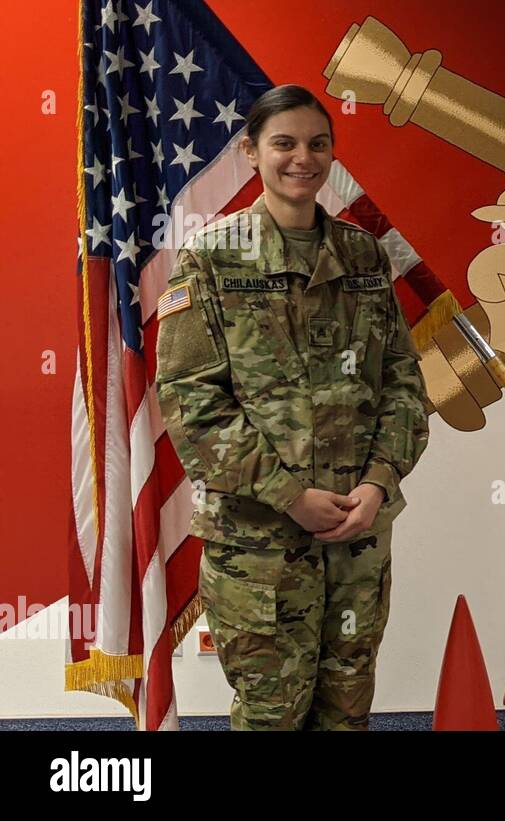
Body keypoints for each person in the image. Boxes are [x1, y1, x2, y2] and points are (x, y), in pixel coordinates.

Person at [155, 84, 429, 730]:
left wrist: (378, 481)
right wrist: (288, 493)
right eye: (284, 143)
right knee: (272, 719)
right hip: (261, 550)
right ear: (251, 152)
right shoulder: (211, 260)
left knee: (347, 715)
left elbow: (404, 385)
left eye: (317, 143)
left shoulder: (363, 257)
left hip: (357, 542)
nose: (301, 157)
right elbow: (191, 403)